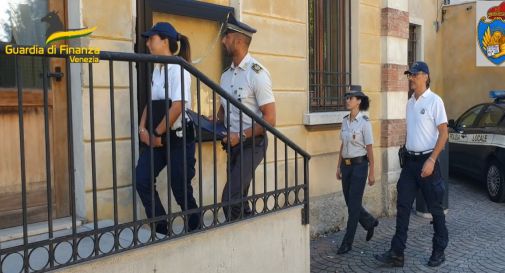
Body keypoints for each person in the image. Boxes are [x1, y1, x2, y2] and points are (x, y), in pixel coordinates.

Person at [375, 61, 449, 267]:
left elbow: (443, 134)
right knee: (403, 205)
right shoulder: (409, 103)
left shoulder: (435, 101)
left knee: (435, 208)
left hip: (428, 163)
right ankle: (397, 253)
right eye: (409, 75)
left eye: (414, 75)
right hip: (410, 163)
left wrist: (432, 160)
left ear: (425, 76)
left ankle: (439, 249)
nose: (411, 78)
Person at [135, 22, 200, 234]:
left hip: (178, 138)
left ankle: (194, 225)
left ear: (164, 41)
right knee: (142, 179)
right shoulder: (158, 67)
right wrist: (142, 127)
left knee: (179, 188)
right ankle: (161, 228)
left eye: (151, 39)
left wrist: (156, 133)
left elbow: (178, 106)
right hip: (158, 137)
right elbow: (152, 102)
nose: (147, 43)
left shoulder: (178, 68)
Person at [212, 14, 276, 221]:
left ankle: (236, 234)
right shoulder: (226, 75)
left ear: (239, 40)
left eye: (227, 36)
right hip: (233, 144)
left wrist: (240, 136)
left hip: (252, 143)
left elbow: (270, 119)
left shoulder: (257, 73)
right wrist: (213, 119)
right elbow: (224, 110)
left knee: (229, 197)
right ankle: (247, 227)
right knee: (239, 197)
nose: (223, 41)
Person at [335, 85, 378, 254]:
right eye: (346, 97)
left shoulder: (365, 123)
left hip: (360, 167)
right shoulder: (345, 120)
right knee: (350, 202)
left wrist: (372, 171)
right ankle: (369, 222)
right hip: (346, 167)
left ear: (359, 101)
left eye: (351, 98)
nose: (347, 100)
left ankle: (347, 242)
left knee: (353, 206)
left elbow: (369, 148)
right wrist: (338, 166)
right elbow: (342, 145)